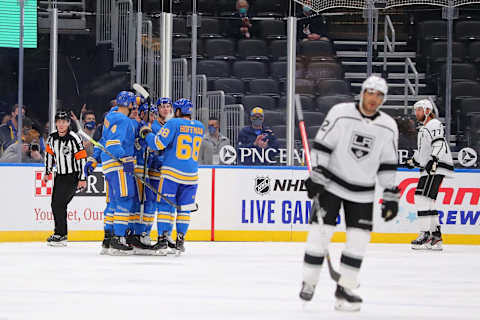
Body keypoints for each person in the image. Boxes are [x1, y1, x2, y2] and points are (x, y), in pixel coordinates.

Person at [299, 76, 400, 311]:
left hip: (363, 192)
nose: (374, 99)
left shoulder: (388, 125)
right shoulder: (341, 113)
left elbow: (387, 162)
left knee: (358, 243)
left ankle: (344, 290)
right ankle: (309, 282)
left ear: (383, 99)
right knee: (319, 236)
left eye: (379, 95)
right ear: (363, 92)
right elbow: (323, 146)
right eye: (370, 93)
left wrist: (390, 194)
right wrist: (317, 177)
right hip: (332, 185)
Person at [139, 98, 204, 255]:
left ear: (178, 111)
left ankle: (162, 240)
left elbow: (157, 144)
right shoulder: (200, 127)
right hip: (192, 175)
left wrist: (146, 133)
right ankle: (180, 241)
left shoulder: (174, 123)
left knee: (164, 207)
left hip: (172, 174)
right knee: (184, 209)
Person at [406, 99, 454, 251]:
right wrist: (413, 161)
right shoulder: (425, 128)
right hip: (432, 166)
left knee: (421, 198)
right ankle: (435, 237)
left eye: (419, 109)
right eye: (416, 110)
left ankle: (425, 233)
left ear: (427, 110)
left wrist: (434, 160)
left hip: (435, 166)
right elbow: (422, 153)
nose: (417, 113)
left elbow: (438, 143)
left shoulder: (434, 124)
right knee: (429, 200)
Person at [99, 91, 138, 255]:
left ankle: (107, 239)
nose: (134, 107)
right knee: (125, 198)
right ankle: (118, 238)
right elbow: (114, 145)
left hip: (107, 164)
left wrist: (93, 159)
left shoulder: (110, 117)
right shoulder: (123, 120)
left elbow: (102, 142)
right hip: (117, 163)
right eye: (133, 104)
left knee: (114, 202)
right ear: (129, 104)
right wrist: (126, 158)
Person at [44, 111, 87, 246]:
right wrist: (47, 171)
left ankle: (61, 234)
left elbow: (81, 159)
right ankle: (60, 233)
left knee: (60, 204)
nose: (61, 124)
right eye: (59, 122)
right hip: (59, 176)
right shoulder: (52, 137)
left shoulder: (74, 138)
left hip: (72, 176)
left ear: (68, 123)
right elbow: (49, 155)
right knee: (55, 204)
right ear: (56, 123)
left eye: (64, 122)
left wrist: (82, 178)